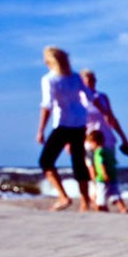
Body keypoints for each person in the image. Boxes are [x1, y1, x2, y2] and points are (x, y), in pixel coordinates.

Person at [36, 46, 93, 211]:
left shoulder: (50, 79)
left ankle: (63, 196)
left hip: (63, 123)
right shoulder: (75, 77)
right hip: (79, 122)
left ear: (50, 62)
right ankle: (84, 202)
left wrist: (40, 130)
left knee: (46, 161)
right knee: (78, 162)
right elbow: (89, 96)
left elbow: (47, 105)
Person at [79, 69, 128, 182]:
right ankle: (96, 194)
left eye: (93, 78)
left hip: (106, 137)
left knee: (108, 167)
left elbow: (112, 118)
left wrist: (124, 139)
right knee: (93, 167)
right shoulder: (79, 98)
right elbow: (77, 121)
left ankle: (109, 193)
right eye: (88, 78)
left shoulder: (102, 96)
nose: (91, 80)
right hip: (90, 138)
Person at [86, 130, 128, 213]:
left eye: (90, 143)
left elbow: (101, 163)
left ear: (95, 142)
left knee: (100, 196)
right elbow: (114, 162)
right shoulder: (108, 151)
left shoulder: (98, 152)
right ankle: (122, 208)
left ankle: (101, 208)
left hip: (102, 178)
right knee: (115, 193)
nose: (90, 146)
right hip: (113, 176)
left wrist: (104, 173)